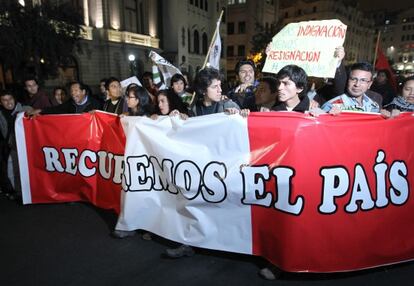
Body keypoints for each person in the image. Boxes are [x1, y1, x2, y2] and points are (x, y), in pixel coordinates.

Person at [164, 67, 241, 259]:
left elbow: (241, 133)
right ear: (202, 90)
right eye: (215, 86)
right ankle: (188, 243)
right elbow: (192, 133)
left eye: (220, 85)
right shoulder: (195, 108)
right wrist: (181, 119)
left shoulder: (228, 105)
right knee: (194, 203)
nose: (219, 89)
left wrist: (237, 117)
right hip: (202, 166)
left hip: (226, 168)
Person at [0, 90, 32, 200]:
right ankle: (18, 193)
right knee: (11, 170)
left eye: (10, 99)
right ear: (1, 102)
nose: (8, 102)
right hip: (13, 147)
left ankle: (30, 192)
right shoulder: (1, 114)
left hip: (28, 147)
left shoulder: (26, 109)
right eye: (4, 100)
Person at [27, 81, 102, 115]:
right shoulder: (69, 103)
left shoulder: (96, 104)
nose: (73, 93)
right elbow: (56, 109)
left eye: (76, 90)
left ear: (83, 92)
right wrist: (41, 110)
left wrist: (98, 114)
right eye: (71, 91)